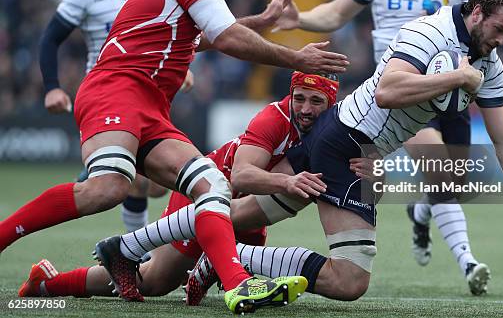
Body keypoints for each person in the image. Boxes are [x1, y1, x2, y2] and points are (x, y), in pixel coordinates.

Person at [1, 0, 349, 314]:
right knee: (109, 188)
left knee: (212, 186)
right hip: (117, 90)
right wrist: (296, 58)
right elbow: (224, 39)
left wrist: (262, 20)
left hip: (147, 104)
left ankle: (238, 285)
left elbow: (197, 39)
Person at [184, 0, 503, 303]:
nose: (501, 41)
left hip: (347, 137)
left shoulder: (488, 64)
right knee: (350, 281)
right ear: (477, 12)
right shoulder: (431, 31)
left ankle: (129, 247)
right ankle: (230, 259)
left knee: (237, 214)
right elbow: (387, 92)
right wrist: (457, 78)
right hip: (346, 145)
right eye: (500, 29)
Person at [274, 0, 490, 293]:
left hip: (453, 87)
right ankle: (468, 262)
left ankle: (421, 213)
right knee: (439, 167)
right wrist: (300, 18)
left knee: (453, 184)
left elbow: (482, 26)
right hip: (405, 90)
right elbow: (337, 13)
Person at [18, 72, 338, 304]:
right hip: (207, 192)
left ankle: (207, 266)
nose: (305, 108)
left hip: (247, 208)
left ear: (331, 102)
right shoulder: (275, 118)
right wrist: (288, 182)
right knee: (156, 280)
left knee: (240, 269)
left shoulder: (331, 128)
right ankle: (48, 284)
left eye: (315, 101)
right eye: (299, 98)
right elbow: (241, 176)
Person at [39, 0, 175, 235]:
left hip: (146, 92)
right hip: (106, 97)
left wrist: (178, 68)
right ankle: (133, 254)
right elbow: (50, 38)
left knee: (157, 186)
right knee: (138, 181)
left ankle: (103, 170)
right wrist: (53, 87)